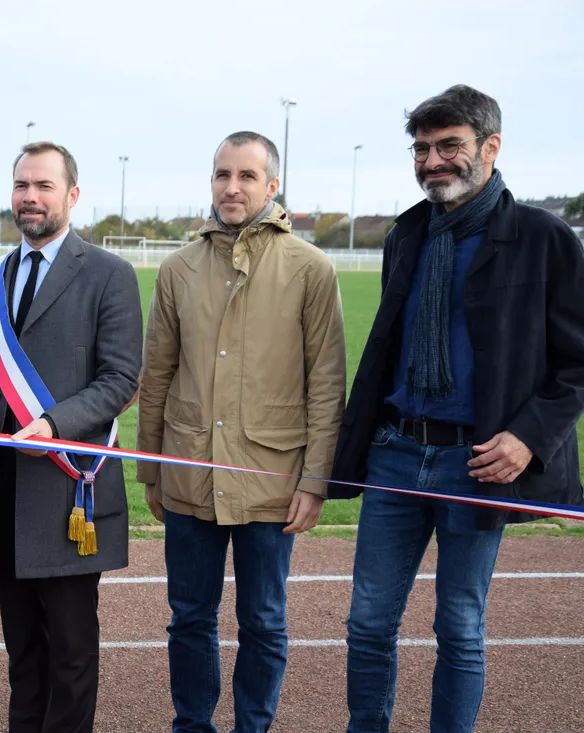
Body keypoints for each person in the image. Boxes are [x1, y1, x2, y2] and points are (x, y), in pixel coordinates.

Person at [330, 84, 584, 732]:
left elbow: (577, 360)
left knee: (460, 623)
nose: (432, 160)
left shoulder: (543, 237)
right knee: (367, 619)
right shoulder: (407, 233)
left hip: (475, 463)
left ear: (490, 147)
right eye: (422, 147)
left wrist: (530, 435)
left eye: (449, 145)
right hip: (395, 455)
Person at [136, 131, 347, 733]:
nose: (232, 187)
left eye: (247, 176)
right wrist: (152, 467)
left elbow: (326, 385)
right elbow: (158, 376)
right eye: (221, 174)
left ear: (272, 185)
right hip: (190, 474)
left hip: (271, 480)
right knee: (190, 618)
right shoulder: (178, 269)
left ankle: (253, 727)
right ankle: (192, 725)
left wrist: (315, 479)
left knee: (264, 620)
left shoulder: (311, 269)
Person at [0, 141, 143, 733]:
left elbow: (120, 378)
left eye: (44, 186)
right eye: (21, 186)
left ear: (73, 195)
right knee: (23, 655)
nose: (30, 198)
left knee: (71, 655)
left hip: (68, 492)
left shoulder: (110, 275)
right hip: (4, 491)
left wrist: (55, 424)